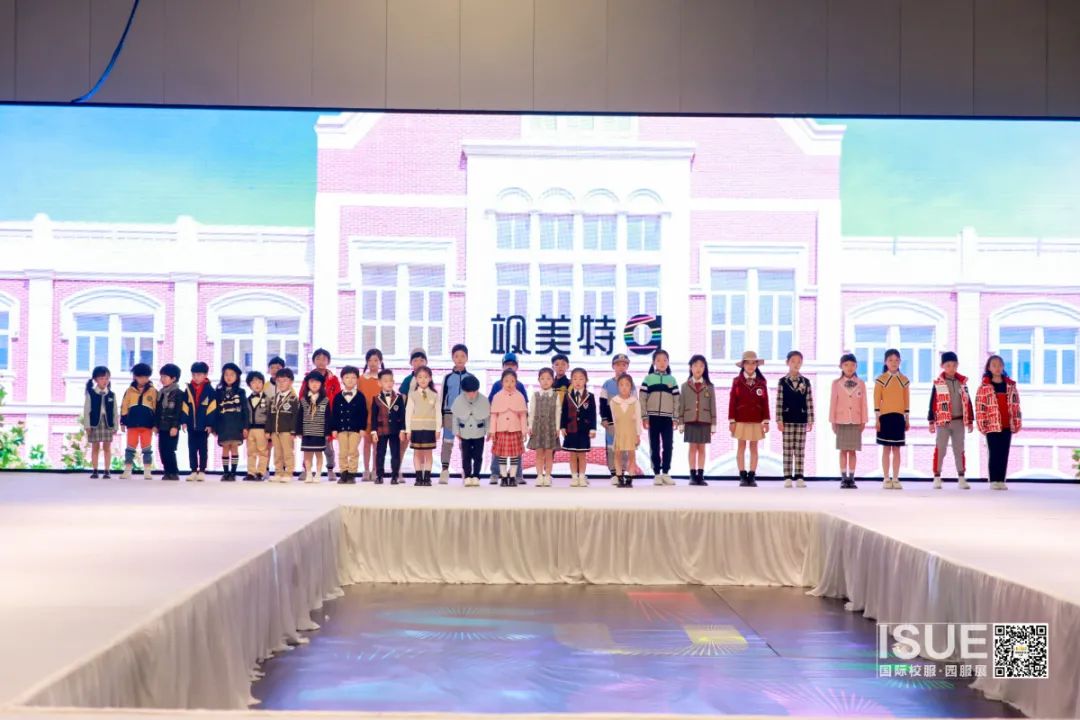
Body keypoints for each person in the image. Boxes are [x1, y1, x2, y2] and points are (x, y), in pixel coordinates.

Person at [927, 351, 974, 490]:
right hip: (943, 422)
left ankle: (961, 478)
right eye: (948, 365)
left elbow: (968, 401)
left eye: (954, 365)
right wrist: (931, 421)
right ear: (942, 366)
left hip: (959, 421)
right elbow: (933, 402)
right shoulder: (938, 383)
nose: (951, 368)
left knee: (959, 450)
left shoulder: (962, 383)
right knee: (940, 449)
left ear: (957, 365)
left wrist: (970, 420)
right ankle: (937, 477)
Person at [975, 354, 1022, 491]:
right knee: (994, 453)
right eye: (994, 365)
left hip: (1007, 424)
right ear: (989, 368)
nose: (997, 368)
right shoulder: (984, 387)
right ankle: (994, 480)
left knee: (1004, 453)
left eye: (1000, 365)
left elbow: (1016, 405)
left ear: (1003, 367)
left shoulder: (1011, 386)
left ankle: (1001, 480)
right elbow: (980, 407)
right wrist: (982, 424)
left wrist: (1017, 422)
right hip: (992, 425)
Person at [728, 350, 769, 487]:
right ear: (743, 365)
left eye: (753, 363)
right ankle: (742, 475)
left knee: (754, 447)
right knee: (741, 446)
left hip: (757, 419)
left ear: (757, 365)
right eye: (748, 363)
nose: (751, 366)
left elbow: (765, 402)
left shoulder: (761, 382)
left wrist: (766, 420)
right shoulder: (737, 381)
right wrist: (732, 420)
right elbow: (732, 401)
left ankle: (752, 475)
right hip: (740, 418)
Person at [640, 349, 680, 486]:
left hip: (667, 419)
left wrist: (675, 418)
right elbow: (642, 398)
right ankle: (657, 473)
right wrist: (644, 416)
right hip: (653, 418)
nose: (662, 363)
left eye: (665, 360)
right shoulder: (648, 379)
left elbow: (677, 400)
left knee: (668, 446)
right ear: (654, 362)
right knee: (654, 446)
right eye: (658, 360)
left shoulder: (672, 380)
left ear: (668, 362)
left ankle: (666, 473)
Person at [488, 352, 528, 484]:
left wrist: (525, 427)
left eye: (513, 364)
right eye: (507, 364)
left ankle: (518, 475)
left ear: (517, 367)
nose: (510, 367)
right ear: (503, 366)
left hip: (515, 425)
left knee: (517, 451)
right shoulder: (496, 385)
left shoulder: (520, 386)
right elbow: (492, 406)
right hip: (500, 425)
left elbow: (524, 408)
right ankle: (495, 473)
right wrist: (492, 428)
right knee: (498, 450)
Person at [776, 350, 814, 488]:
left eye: (799, 362)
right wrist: (779, 419)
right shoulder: (782, 382)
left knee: (799, 450)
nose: (796, 364)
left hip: (801, 419)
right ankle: (787, 477)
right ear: (787, 363)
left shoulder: (806, 382)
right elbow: (779, 401)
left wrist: (810, 419)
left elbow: (809, 401)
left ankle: (799, 476)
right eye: (793, 361)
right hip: (787, 419)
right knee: (787, 450)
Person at [830, 353, 868, 489]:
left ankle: (851, 478)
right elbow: (833, 403)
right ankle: (843, 478)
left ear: (856, 366)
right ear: (841, 366)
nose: (849, 367)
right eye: (846, 365)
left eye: (852, 365)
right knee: (842, 450)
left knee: (852, 451)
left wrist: (864, 420)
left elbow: (864, 403)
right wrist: (832, 421)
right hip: (841, 420)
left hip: (856, 420)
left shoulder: (861, 383)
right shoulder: (836, 383)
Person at [439, 344, 475, 484]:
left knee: (465, 444)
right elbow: (442, 397)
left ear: (467, 358)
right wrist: (441, 417)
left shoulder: (471, 377)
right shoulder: (448, 378)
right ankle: (444, 470)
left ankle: (466, 471)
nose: (459, 359)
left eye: (462, 356)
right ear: (452, 358)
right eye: (456, 356)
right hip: (449, 414)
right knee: (447, 442)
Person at [874, 349, 910, 490]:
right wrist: (877, 419)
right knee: (886, 449)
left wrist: (907, 418)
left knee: (897, 449)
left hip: (899, 418)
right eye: (890, 360)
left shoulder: (904, 380)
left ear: (900, 361)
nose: (894, 363)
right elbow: (877, 400)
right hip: (885, 417)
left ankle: (895, 478)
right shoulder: (881, 379)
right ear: (885, 362)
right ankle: (886, 478)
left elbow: (906, 400)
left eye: (896, 360)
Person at [600, 353, 637, 485]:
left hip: (626, 424)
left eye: (624, 364)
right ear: (613, 366)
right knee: (612, 447)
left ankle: (624, 473)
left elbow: (635, 404)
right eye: (618, 364)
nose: (621, 367)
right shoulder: (607, 384)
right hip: (611, 423)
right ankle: (614, 473)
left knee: (626, 448)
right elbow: (602, 403)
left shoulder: (632, 385)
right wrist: (604, 418)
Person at [119, 363, 158, 480]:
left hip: (147, 426)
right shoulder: (129, 391)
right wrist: (123, 422)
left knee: (147, 449)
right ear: (135, 376)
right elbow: (124, 406)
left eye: (146, 377)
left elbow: (157, 409)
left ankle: (147, 471)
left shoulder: (153, 391)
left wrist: (155, 425)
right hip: (132, 425)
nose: (143, 379)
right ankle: (127, 471)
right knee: (130, 449)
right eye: (141, 377)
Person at [307, 349, 341, 483]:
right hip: (311, 417)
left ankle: (330, 469)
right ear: (313, 361)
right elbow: (302, 395)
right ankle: (307, 470)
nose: (321, 362)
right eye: (318, 359)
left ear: (328, 361)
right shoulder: (308, 377)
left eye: (324, 359)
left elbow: (338, 397)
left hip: (328, 415)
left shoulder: (333, 379)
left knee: (328, 446)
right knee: (309, 446)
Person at [331, 365, 368, 484]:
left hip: (355, 429)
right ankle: (343, 473)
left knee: (353, 451)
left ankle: (352, 474)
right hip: (341, 429)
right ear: (342, 379)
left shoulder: (360, 396)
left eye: (353, 377)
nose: (350, 380)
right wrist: (334, 429)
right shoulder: (338, 396)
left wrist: (362, 428)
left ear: (357, 379)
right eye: (347, 377)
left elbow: (364, 413)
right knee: (342, 452)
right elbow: (334, 414)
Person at [561, 367, 597, 487]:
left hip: (584, 430)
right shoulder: (567, 396)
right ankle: (574, 477)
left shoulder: (590, 396)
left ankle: (582, 476)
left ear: (586, 380)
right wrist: (562, 427)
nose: (578, 381)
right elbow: (564, 412)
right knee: (572, 454)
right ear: (571, 380)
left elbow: (592, 413)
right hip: (571, 429)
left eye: (581, 379)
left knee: (582, 454)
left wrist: (593, 428)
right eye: (575, 378)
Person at [181, 361, 217, 482]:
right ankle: (193, 470)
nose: (196, 377)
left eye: (199, 375)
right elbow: (185, 406)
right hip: (191, 425)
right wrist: (184, 421)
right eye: (194, 375)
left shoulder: (210, 391)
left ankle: (202, 470)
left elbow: (212, 408)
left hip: (203, 426)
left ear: (205, 375)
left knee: (203, 449)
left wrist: (210, 424)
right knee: (191, 448)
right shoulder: (188, 389)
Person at [370, 369, 406, 484]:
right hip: (381, 430)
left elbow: (402, 415)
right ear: (379, 383)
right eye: (385, 381)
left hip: (395, 430)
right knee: (380, 453)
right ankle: (379, 475)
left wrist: (402, 430)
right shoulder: (376, 398)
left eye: (391, 381)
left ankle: (394, 476)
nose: (389, 383)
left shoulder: (398, 398)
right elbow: (373, 417)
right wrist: (374, 431)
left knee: (395, 453)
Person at [404, 365, 439, 486]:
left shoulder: (434, 395)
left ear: (430, 378)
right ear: (416, 379)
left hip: (430, 428)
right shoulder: (412, 395)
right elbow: (408, 412)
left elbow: (438, 413)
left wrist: (438, 429)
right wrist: (408, 430)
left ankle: (427, 478)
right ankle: (418, 478)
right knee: (417, 453)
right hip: (416, 428)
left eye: (425, 377)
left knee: (428, 453)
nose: (423, 379)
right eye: (420, 377)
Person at [452, 374, 489, 487]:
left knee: (478, 456)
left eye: (474, 391)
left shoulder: (483, 400)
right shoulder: (458, 400)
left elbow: (487, 417)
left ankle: (476, 476)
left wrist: (489, 431)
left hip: (479, 432)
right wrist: (456, 431)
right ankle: (467, 476)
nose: (472, 394)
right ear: (464, 391)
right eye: (469, 392)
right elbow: (455, 417)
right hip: (464, 433)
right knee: (466, 456)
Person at [214, 362, 248, 482]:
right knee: (225, 448)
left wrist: (245, 427)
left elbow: (245, 410)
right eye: (226, 374)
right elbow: (215, 410)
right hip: (223, 424)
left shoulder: (241, 392)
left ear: (237, 377)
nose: (229, 377)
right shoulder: (218, 392)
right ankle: (225, 473)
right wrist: (215, 427)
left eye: (232, 374)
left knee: (234, 448)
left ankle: (233, 473)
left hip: (236, 425)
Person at [81, 365, 117, 479]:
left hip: (108, 424)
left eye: (107, 378)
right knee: (95, 447)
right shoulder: (91, 393)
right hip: (94, 424)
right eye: (102, 378)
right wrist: (87, 425)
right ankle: (95, 470)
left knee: (107, 448)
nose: (105, 381)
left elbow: (115, 412)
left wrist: (115, 426)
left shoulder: (111, 394)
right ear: (96, 379)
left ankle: (107, 471)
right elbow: (86, 410)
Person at [296, 371, 331, 483]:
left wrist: (327, 432)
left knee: (319, 454)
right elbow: (299, 416)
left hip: (320, 432)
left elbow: (328, 417)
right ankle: (309, 474)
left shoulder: (325, 400)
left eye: (317, 382)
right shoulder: (303, 400)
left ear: (321, 384)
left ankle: (318, 474)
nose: (314, 384)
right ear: (307, 384)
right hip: (307, 432)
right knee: (307, 454)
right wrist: (299, 431)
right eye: (312, 382)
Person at [528, 368, 560, 487]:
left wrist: (557, 428)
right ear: (539, 380)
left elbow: (558, 412)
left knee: (549, 454)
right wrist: (530, 426)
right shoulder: (535, 395)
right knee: (539, 454)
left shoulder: (556, 395)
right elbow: (531, 411)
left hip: (551, 427)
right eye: (542, 379)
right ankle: (539, 476)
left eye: (548, 378)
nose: (545, 381)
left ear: (552, 380)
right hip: (538, 427)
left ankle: (547, 476)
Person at [610, 373, 641, 488]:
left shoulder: (635, 401)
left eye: (627, 385)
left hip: (631, 433)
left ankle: (630, 477)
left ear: (631, 387)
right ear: (618, 386)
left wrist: (638, 434)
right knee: (617, 455)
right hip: (619, 433)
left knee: (631, 454)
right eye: (621, 385)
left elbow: (638, 419)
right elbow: (614, 419)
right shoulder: (614, 401)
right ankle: (619, 477)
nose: (624, 387)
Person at [357, 349, 384, 481]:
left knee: (377, 444)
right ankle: (366, 470)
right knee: (366, 443)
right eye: (370, 360)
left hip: (379, 416)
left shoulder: (383, 378)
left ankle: (375, 470)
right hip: (365, 415)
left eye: (375, 360)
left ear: (380, 361)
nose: (372, 363)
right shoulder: (361, 379)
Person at [267, 368, 298, 482]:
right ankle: (278, 472)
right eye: (279, 381)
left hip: (287, 431)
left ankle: (288, 473)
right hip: (275, 431)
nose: (281, 383)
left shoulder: (293, 399)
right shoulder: (273, 399)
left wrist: (293, 431)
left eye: (284, 380)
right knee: (277, 453)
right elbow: (270, 416)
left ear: (291, 382)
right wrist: (268, 430)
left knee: (288, 452)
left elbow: (295, 417)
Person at [156, 363, 184, 481]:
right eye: (161, 376)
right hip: (162, 426)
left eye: (165, 376)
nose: (162, 379)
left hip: (172, 427)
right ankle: (167, 471)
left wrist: (175, 426)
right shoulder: (161, 393)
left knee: (170, 450)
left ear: (173, 378)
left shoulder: (179, 393)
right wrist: (156, 425)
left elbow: (178, 411)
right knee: (162, 449)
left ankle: (174, 472)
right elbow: (157, 410)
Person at [398, 348, 427, 459]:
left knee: (420, 447)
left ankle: (421, 469)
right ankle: (397, 468)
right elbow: (403, 399)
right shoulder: (408, 380)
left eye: (421, 360)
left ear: (426, 362)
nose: (418, 363)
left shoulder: (429, 380)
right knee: (402, 445)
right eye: (415, 360)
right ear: (411, 363)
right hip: (408, 417)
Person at [243, 371, 270, 482]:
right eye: (253, 382)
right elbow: (245, 415)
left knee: (263, 451)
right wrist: (245, 428)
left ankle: (261, 472)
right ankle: (251, 472)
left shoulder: (267, 399)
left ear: (263, 383)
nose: (257, 385)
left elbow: (270, 416)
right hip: (250, 429)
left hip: (262, 429)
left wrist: (268, 430)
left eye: (259, 382)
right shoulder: (247, 400)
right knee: (250, 452)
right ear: (249, 385)